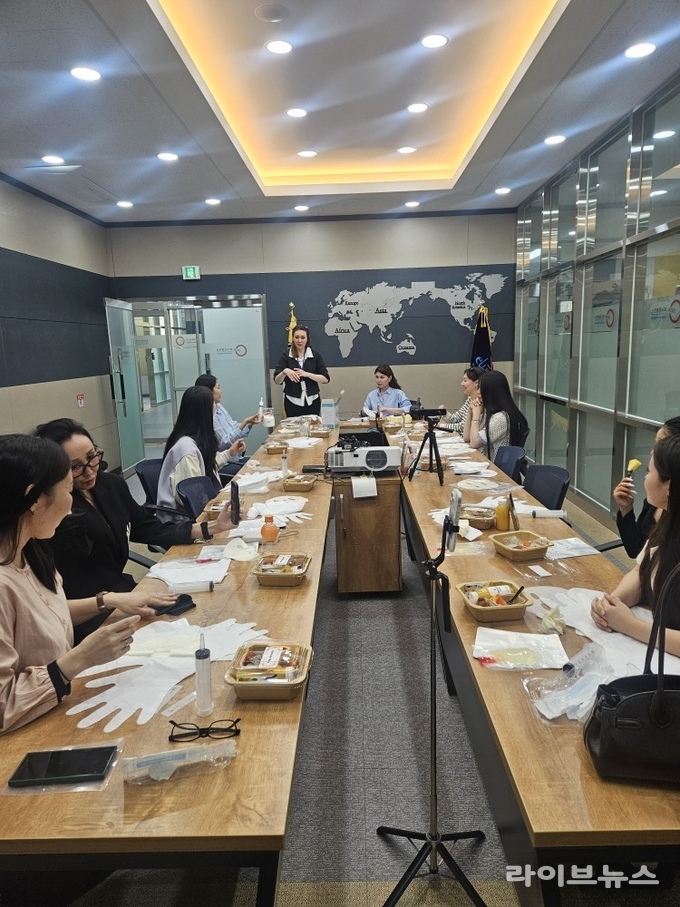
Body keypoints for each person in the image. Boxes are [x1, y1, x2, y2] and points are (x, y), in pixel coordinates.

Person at [34, 419, 239, 636]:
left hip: (123, 595)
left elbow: (147, 527)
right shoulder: (55, 513)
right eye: (75, 467)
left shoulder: (110, 485)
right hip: (87, 614)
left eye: (92, 457)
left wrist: (209, 527)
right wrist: (110, 601)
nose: (89, 471)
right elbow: (56, 600)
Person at [0, 434, 146, 734]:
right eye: (68, 491)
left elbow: (39, 615)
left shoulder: (30, 550)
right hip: (25, 737)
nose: (70, 508)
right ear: (34, 500)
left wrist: (106, 600)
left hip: (56, 709)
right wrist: (78, 659)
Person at [591, 435, 680, 655]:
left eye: (649, 472)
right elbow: (642, 572)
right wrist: (612, 603)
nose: (645, 478)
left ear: (668, 487)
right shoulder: (668, 520)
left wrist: (630, 625)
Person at [157, 385, 246, 512]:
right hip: (187, 518)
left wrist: (230, 452)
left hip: (200, 509)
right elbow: (194, 498)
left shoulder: (195, 439)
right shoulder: (187, 450)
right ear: (204, 412)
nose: (216, 408)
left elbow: (206, 464)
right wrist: (220, 506)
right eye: (213, 405)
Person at [611, 416, 680, 558]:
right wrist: (626, 509)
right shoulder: (656, 500)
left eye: (660, 445)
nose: (652, 452)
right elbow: (636, 550)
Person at [464, 370, 528, 461]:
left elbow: (474, 443)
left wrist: (476, 416)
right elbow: (467, 438)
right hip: (487, 464)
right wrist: (470, 412)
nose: (477, 392)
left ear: (491, 392)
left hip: (496, 467)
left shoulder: (501, 418)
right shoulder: (490, 412)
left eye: (480, 389)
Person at [273, 325, 330, 416]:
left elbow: (325, 379)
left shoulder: (315, 355)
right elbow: (277, 381)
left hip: (313, 401)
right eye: (297, 337)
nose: (299, 340)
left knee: (312, 425)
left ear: (307, 339)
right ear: (293, 338)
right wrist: (285, 371)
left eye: (303, 337)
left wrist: (308, 374)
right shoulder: (286, 355)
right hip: (292, 401)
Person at [194, 373, 261, 450]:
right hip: (225, 457)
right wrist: (245, 422)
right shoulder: (208, 415)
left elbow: (233, 427)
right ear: (209, 391)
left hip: (235, 454)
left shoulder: (219, 406)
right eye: (218, 388)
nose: (221, 391)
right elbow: (224, 444)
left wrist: (249, 422)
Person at [438, 366, 485, 432]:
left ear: (476, 383)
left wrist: (440, 426)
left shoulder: (481, 403)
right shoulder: (470, 399)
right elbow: (456, 419)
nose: (462, 383)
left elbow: (463, 427)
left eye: (465, 380)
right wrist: (444, 413)